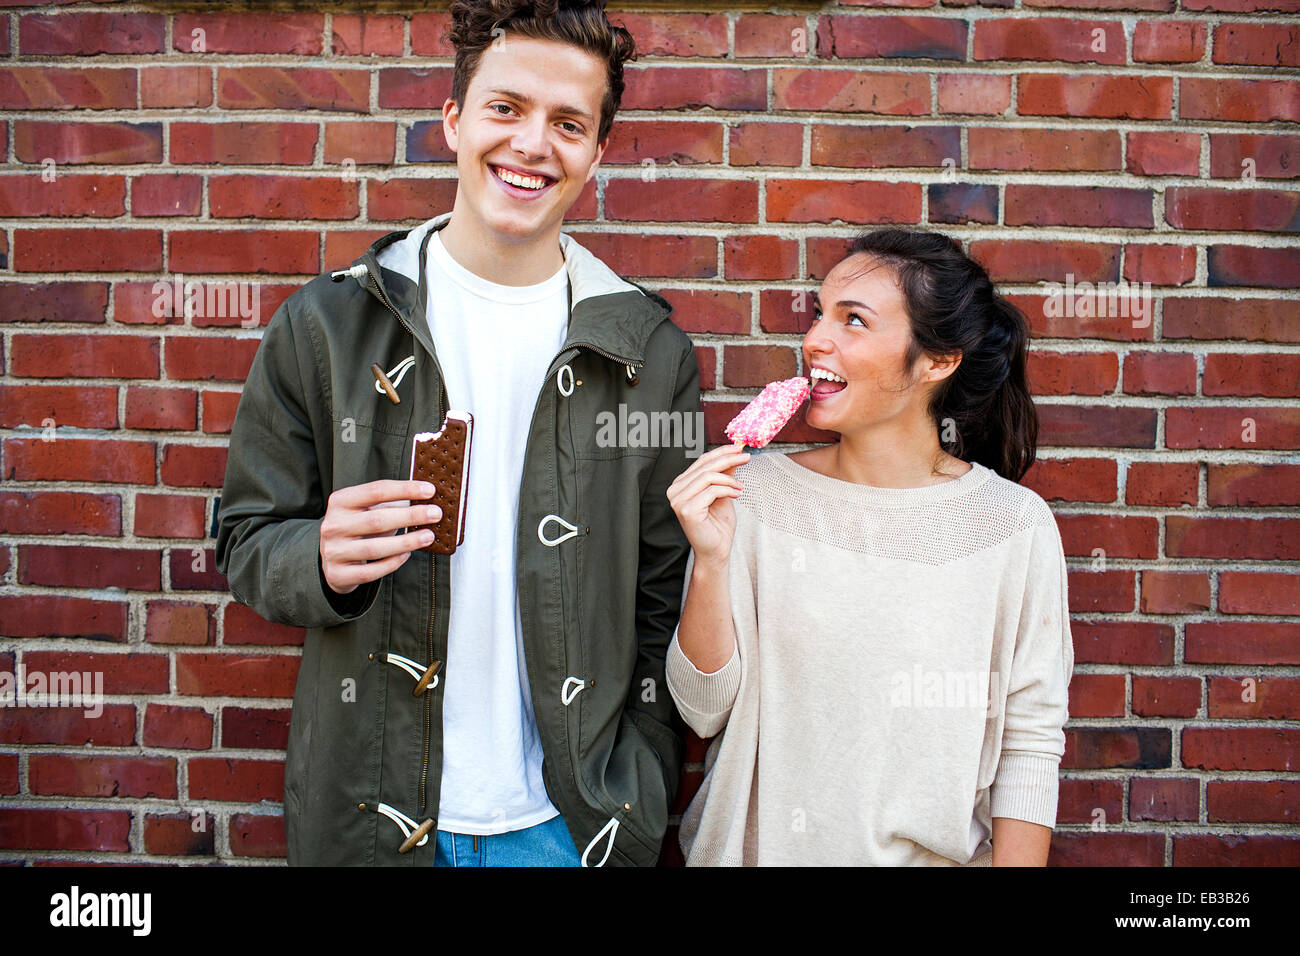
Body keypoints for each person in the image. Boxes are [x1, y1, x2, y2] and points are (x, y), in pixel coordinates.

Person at [215, 0, 699, 867]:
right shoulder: (327, 325)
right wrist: (319, 559)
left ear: (597, 150)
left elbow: (665, 590)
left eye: (568, 123)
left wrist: (642, 767)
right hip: (371, 814)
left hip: (569, 825)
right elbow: (247, 538)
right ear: (454, 121)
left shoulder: (648, 355)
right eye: (505, 109)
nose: (531, 143)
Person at [665, 229, 1074, 866]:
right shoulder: (750, 495)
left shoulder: (1014, 528)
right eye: (819, 314)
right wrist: (711, 563)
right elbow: (701, 710)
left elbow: (1030, 742)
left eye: (853, 320)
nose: (814, 341)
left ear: (937, 361)